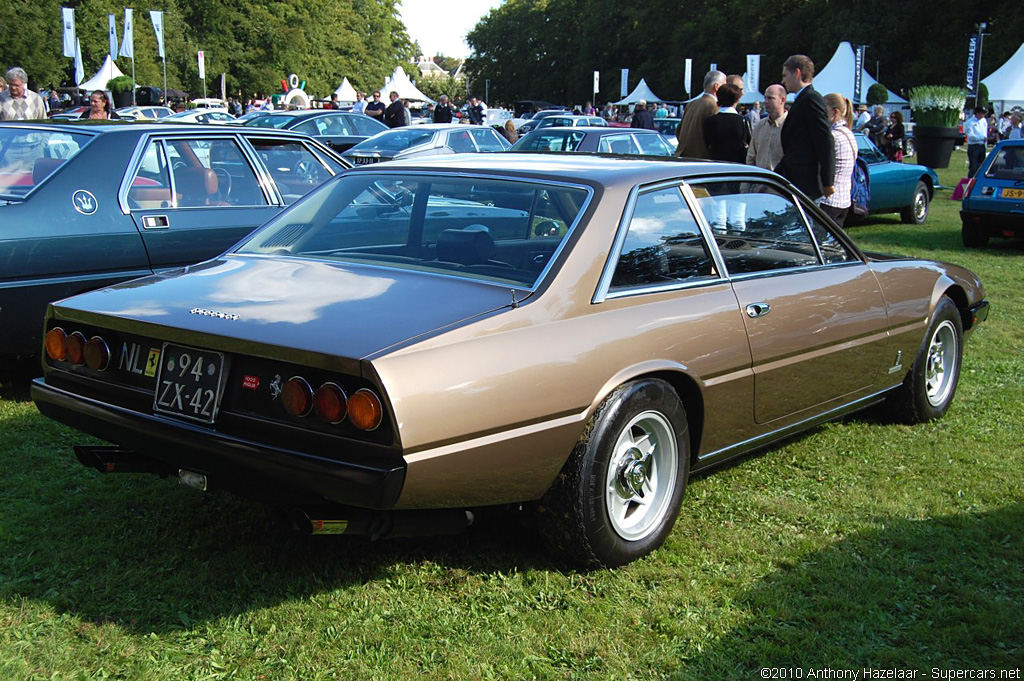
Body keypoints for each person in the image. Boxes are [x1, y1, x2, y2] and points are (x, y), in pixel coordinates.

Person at [775, 55, 834, 201]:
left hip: (807, 183)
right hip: (797, 179)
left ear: (797, 73)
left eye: (785, 75)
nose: (783, 81)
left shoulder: (811, 99)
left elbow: (825, 140)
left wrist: (828, 181)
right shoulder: (803, 99)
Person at [820, 93, 858, 226]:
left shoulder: (833, 136)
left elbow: (823, 166)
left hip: (829, 200)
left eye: (824, 111)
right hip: (844, 199)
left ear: (835, 112)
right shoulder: (849, 134)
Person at [676, 70, 725, 158]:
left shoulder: (691, 104)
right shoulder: (714, 106)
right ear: (717, 87)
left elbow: (679, 130)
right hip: (701, 159)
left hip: (683, 155)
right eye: (724, 86)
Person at [746, 83, 788, 170]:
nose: (765, 101)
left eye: (770, 98)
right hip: (760, 180)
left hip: (780, 181)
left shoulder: (790, 126)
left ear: (782, 100)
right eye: (765, 98)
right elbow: (751, 158)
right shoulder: (759, 126)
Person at [704, 84, 749, 163]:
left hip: (716, 162)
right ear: (737, 100)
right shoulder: (742, 120)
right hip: (738, 164)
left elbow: (707, 143)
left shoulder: (709, 121)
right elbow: (748, 140)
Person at [965, 106, 988, 178]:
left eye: (984, 114)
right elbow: (971, 136)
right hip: (974, 146)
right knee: (973, 167)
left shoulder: (984, 120)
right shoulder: (970, 122)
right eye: (981, 113)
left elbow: (985, 132)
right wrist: (981, 138)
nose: (983, 115)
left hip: (982, 145)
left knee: (981, 166)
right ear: (977, 113)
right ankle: (970, 181)